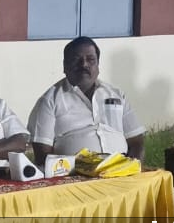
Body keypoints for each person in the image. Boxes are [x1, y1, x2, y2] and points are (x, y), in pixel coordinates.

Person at [28, 36, 145, 166]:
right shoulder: (49, 101)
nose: (84, 64)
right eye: (76, 60)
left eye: (90, 60)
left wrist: (132, 168)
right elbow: (42, 155)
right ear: (65, 66)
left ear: (98, 65)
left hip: (121, 170)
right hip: (75, 175)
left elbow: (136, 141)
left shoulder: (117, 95)